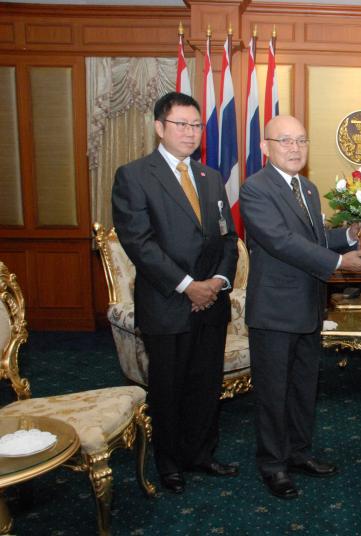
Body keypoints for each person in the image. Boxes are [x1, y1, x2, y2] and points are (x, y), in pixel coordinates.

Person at [239, 115, 361, 500]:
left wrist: (349, 234)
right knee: (273, 392)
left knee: (303, 388)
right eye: (285, 140)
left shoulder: (308, 189)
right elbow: (281, 241)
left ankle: (298, 453)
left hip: (309, 307)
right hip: (274, 312)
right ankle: (273, 465)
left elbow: (314, 238)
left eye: (301, 140)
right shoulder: (255, 189)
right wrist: (340, 262)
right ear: (265, 147)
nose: (295, 148)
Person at [112, 91, 239, 494]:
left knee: (205, 384)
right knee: (168, 388)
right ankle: (169, 464)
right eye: (181, 124)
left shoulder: (211, 177)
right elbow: (140, 243)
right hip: (167, 303)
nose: (190, 132)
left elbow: (228, 239)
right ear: (159, 127)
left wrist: (217, 282)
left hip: (211, 303)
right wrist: (188, 286)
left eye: (196, 125)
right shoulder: (134, 176)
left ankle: (201, 453)